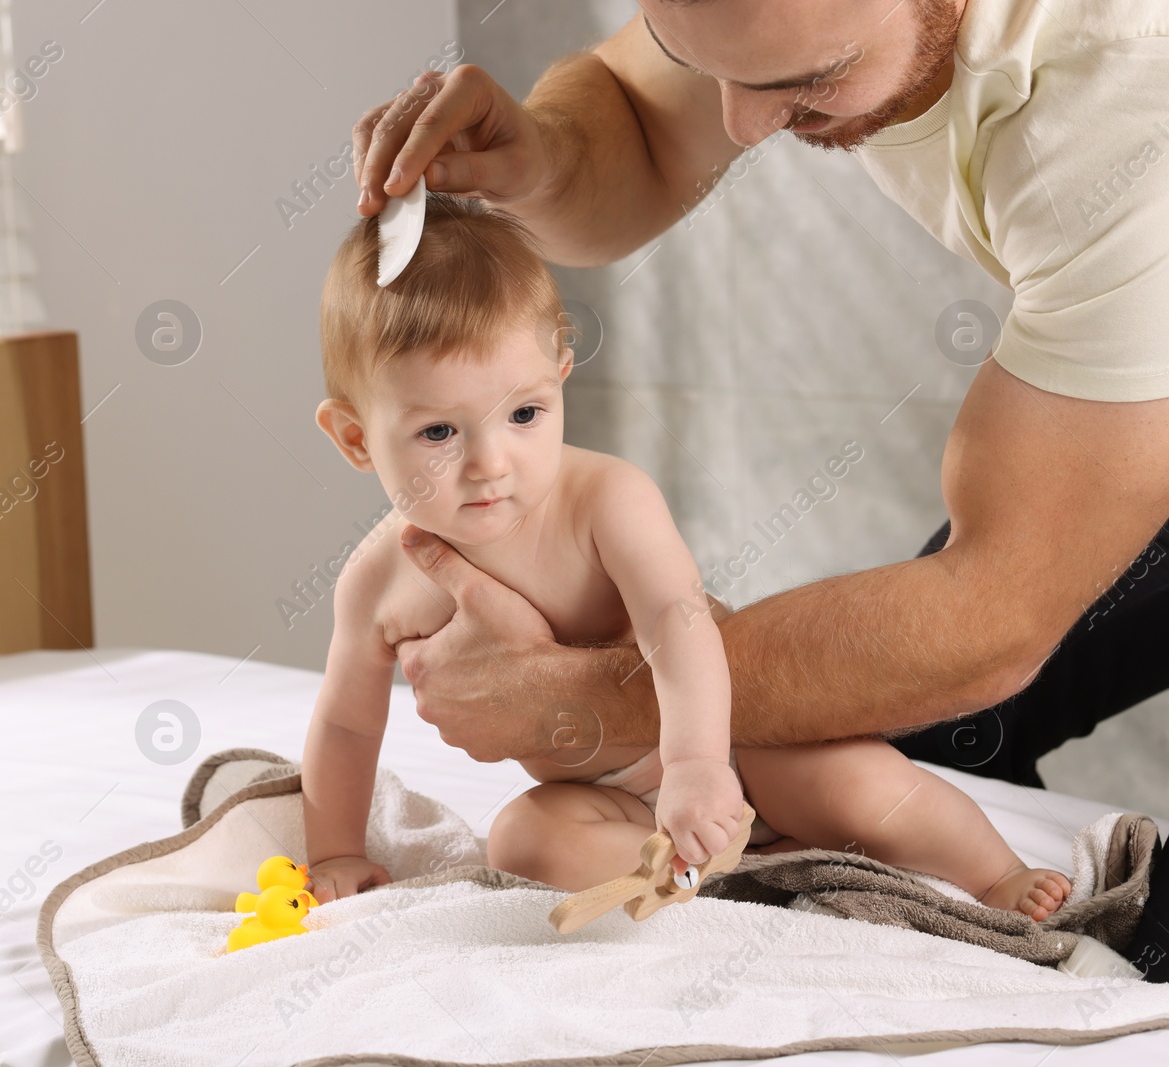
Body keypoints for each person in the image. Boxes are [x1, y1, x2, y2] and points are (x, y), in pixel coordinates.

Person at [350, 0, 1169, 977]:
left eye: (800, 82)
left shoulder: (1121, 115)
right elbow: (641, 116)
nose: (738, 125)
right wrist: (542, 157)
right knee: (924, 742)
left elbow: (989, 612)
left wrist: (604, 697)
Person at [300, 191, 1072, 924]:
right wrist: (334, 850)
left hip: (737, 742)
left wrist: (700, 765)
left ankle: (992, 872)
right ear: (356, 438)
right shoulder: (378, 581)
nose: (491, 463)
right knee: (524, 841)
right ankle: (743, 879)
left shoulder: (605, 499)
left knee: (865, 787)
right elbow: (344, 724)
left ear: (561, 377)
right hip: (608, 796)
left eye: (525, 413)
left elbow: (680, 619)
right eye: (440, 433)